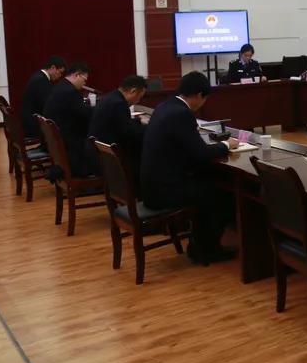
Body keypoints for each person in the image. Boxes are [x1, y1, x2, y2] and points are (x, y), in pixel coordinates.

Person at [141, 71, 239, 265]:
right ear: (200, 95)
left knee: (209, 182)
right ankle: (207, 250)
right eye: (205, 99)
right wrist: (227, 145)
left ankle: (200, 244)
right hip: (165, 191)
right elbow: (200, 153)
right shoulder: (181, 114)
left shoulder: (164, 106)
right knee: (221, 194)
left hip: (152, 184)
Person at [85, 75, 148, 177]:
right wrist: (150, 128)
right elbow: (129, 133)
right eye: (139, 97)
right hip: (106, 160)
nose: (138, 101)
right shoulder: (119, 104)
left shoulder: (111, 97)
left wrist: (138, 122)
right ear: (133, 91)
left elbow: (120, 123)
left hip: (98, 152)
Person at [42, 63, 93, 177]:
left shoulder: (61, 86)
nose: (84, 83)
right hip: (68, 141)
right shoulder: (70, 91)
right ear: (77, 75)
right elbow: (84, 113)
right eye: (84, 80)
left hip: (57, 137)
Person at [21, 56, 65, 138]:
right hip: (33, 125)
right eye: (60, 72)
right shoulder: (41, 80)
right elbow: (46, 106)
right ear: (53, 67)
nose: (60, 76)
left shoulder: (39, 76)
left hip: (30, 120)